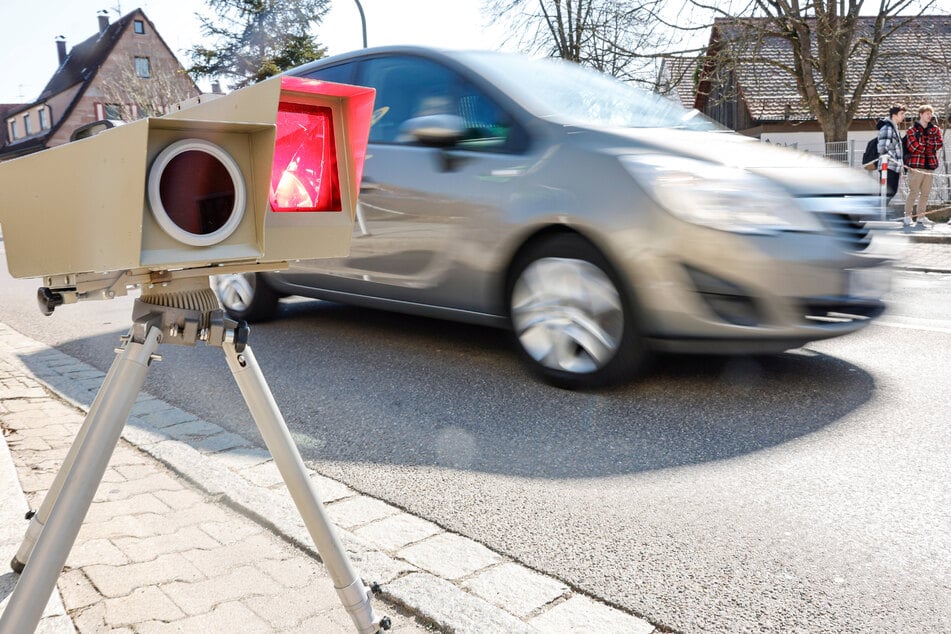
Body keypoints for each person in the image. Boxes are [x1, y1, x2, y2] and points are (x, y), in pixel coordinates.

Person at [903, 104, 944, 229]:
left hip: (930, 165)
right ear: (921, 114)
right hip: (916, 165)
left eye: (930, 113)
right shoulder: (911, 131)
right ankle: (908, 216)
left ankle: (921, 216)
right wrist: (928, 147)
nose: (929, 116)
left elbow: (939, 143)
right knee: (914, 191)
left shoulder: (935, 129)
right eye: (927, 113)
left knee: (925, 193)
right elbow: (913, 147)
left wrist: (924, 145)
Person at [877, 103, 906, 210]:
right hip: (888, 166)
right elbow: (882, 148)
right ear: (894, 115)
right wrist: (892, 160)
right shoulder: (887, 128)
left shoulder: (895, 128)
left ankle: (879, 213)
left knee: (890, 191)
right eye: (901, 113)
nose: (904, 116)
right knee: (887, 192)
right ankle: (877, 214)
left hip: (894, 167)